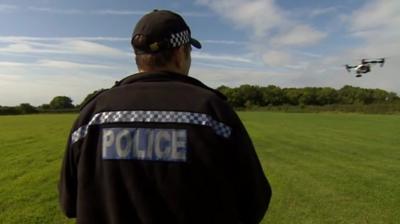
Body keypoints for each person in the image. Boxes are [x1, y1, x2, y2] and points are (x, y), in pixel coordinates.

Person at [59, 9, 271, 224]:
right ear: (181, 53)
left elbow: (69, 204)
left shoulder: (93, 114)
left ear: (138, 57)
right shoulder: (212, 112)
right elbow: (253, 202)